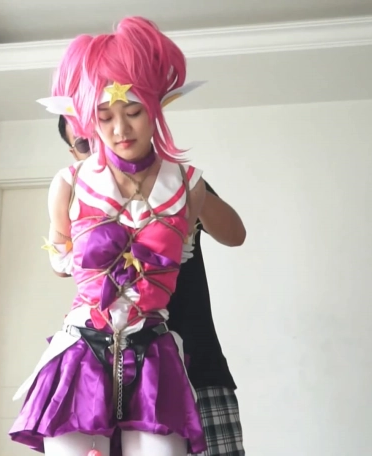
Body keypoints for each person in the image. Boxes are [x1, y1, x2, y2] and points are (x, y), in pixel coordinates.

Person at [10, 16, 211, 456]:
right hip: (82, 351)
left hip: (153, 352)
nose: (120, 130)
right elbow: (60, 263)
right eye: (104, 118)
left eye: (133, 112)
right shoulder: (69, 182)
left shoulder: (188, 184)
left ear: (156, 108)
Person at [59, 116, 248, 456]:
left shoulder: (174, 182)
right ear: (74, 153)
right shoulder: (77, 195)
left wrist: (178, 182)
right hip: (103, 380)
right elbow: (63, 266)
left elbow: (235, 235)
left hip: (196, 367)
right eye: (87, 143)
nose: (107, 141)